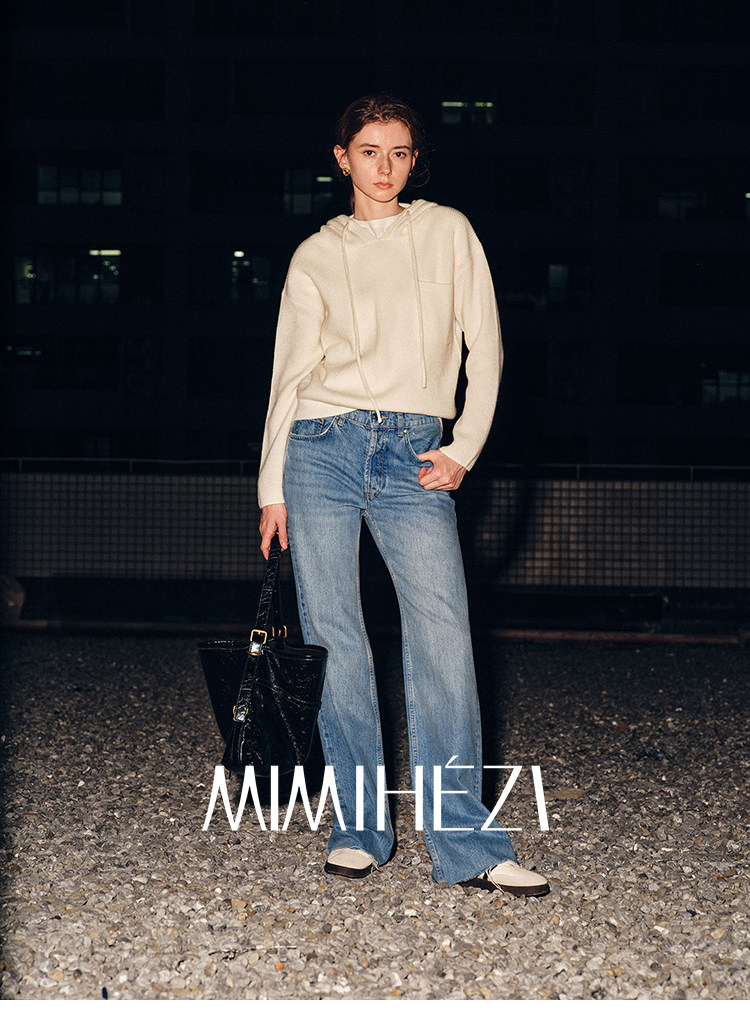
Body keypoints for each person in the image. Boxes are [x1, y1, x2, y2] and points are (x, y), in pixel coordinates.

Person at [258, 94, 549, 897]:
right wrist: (271, 485)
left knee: (444, 637)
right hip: (319, 446)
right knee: (336, 636)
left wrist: (464, 447)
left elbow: (486, 345)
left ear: (415, 160)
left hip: (415, 449)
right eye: (369, 150)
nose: (384, 166)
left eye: (399, 151)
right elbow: (289, 375)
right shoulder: (316, 254)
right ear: (341, 158)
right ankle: (359, 828)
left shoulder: (448, 231)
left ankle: (466, 841)